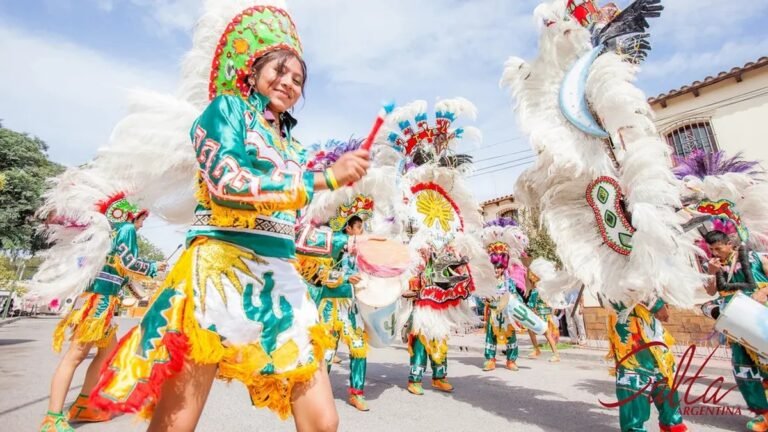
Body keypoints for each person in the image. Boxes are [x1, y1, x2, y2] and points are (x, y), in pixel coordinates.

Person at [89, 5, 370, 432]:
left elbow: (290, 230)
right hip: (219, 273)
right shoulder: (225, 112)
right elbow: (229, 185)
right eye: (279, 71)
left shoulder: (292, 148)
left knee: (323, 420)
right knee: (177, 422)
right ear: (252, 72)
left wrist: (350, 245)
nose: (288, 83)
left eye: (298, 80)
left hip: (281, 280)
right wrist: (325, 178)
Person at [40, 195, 166, 432]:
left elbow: (119, 270)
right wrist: (152, 267)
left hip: (102, 302)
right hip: (98, 304)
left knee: (107, 355)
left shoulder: (110, 236)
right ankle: (52, 418)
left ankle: (84, 405)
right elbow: (128, 262)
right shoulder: (127, 229)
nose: (142, 223)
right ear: (130, 214)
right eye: (142, 218)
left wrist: (138, 293)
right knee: (75, 356)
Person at [704, 230, 768, 431]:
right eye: (711, 249)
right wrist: (712, 272)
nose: (716, 252)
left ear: (729, 244)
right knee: (743, 369)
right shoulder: (714, 265)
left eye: (718, 248)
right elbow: (710, 292)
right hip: (736, 325)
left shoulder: (754, 257)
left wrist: (764, 292)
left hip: (760, 319)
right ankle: (763, 415)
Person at [314, 212, 371, 411]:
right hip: (329, 306)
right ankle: (318, 394)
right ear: (348, 229)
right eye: (359, 228)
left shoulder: (359, 253)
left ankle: (357, 393)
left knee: (358, 347)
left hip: (350, 305)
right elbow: (318, 274)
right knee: (327, 352)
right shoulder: (329, 247)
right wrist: (346, 278)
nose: (362, 233)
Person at [606, 297, 688, 432]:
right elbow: (621, 284)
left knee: (663, 380)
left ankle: (673, 426)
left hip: (648, 326)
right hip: (630, 328)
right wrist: (657, 305)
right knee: (635, 385)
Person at [525, 267, 560, 362]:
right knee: (531, 330)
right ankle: (537, 350)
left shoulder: (536, 291)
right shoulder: (542, 290)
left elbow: (532, 305)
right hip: (541, 315)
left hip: (541, 316)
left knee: (547, 334)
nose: (532, 282)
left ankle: (555, 355)